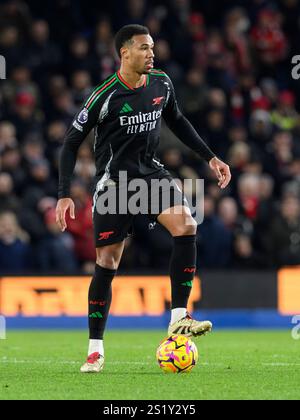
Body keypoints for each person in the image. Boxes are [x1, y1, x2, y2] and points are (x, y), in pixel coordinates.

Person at [56, 25, 231, 373]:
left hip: (151, 175)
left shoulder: (161, 83)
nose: (151, 53)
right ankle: (95, 349)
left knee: (186, 225)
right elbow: (70, 143)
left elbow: (177, 120)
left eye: (152, 47)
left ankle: (178, 317)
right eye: (143, 48)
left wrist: (210, 157)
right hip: (115, 185)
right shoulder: (103, 96)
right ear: (124, 53)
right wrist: (63, 195)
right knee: (107, 262)